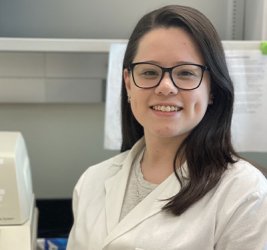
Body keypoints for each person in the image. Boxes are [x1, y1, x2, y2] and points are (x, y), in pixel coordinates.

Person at [67, 5, 267, 250]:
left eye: (185, 73)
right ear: (129, 84)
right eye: (150, 72)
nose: (165, 87)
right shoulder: (92, 181)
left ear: (212, 88)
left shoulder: (244, 192)